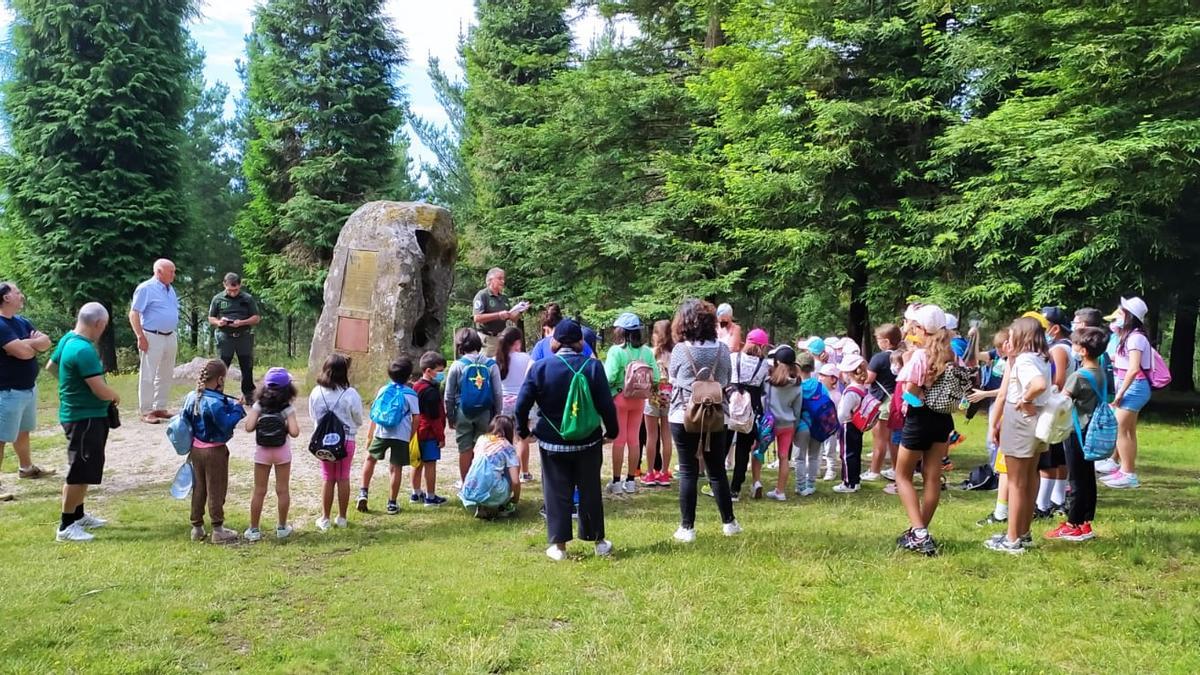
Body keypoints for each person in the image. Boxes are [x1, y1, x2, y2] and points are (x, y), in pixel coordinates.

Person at [515, 319, 618, 561]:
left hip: (552, 443)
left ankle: (559, 546)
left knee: (556, 491)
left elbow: (521, 406)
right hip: (588, 441)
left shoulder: (540, 368)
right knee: (590, 489)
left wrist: (523, 432)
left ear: (555, 342)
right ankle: (598, 542)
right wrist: (611, 432)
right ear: (580, 343)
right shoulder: (593, 368)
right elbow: (606, 405)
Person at [667, 299, 740, 542]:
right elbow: (727, 378)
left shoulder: (680, 350)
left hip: (683, 413)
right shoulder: (722, 349)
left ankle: (687, 528)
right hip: (717, 414)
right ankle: (729, 523)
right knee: (717, 470)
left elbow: (673, 376)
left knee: (688, 471)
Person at [46, 303, 120, 542]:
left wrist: (72, 387)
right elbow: (100, 390)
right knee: (79, 470)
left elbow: (51, 367)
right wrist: (114, 395)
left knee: (86, 468)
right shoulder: (83, 350)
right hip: (85, 418)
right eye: (104, 326)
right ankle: (66, 526)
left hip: (79, 414)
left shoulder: (68, 340)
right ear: (98, 324)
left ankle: (78, 515)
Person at [986, 316, 1051, 554]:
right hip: (1038, 422)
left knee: (1015, 481)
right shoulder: (1041, 357)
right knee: (1029, 477)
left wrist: (1025, 399)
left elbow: (1039, 384)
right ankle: (1023, 532)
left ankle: (1011, 538)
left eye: (1012, 334)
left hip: (1021, 420)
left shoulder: (1025, 361)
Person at [894, 304, 956, 556]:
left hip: (920, 420)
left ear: (921, 329)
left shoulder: (920, 356)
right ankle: (920, 530)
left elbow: (909, 392)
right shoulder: (951, 354)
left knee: (902, 475)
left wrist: (918, 402)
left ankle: (919, 533)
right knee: (932, 477)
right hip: (943, 419)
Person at [1045, 326, 1108, 542]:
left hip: (1077, 431)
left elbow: (1061, 401)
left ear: (1082, 351)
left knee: (1076, 478)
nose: (1071, 348)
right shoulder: (1099, 372)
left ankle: (1072, 523)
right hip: (1092, 430)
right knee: (1088, 476)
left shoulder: (1079, 376)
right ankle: (1085, 521)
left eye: (1074, 345)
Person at [0, 282, 55, 501]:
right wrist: (31, 344)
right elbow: (24, 353)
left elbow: (46, 343)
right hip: (7, 391)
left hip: (26, 389)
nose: (21, 295)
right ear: (5, 298)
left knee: (23, 431)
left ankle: (26, 468)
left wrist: (27, 343)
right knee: (1, 438)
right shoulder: (1, 326)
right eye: (17, 292)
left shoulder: (21, 321)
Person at [181, 359, 247, 544]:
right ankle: (218, 530)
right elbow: (225, 424)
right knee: (216, 489)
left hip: (196, 449)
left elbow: (184, 419)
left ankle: (197, 527)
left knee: (199, 488)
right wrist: (237, 409)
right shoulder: (215, 402)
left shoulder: (192, 397)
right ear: (220, 379)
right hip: (214, 452)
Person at [604, 313, 659, 495]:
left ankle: (617, 482)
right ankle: (631, 481)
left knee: (619, 440)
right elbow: (656, 377)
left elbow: (609, 377)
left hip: (620, 398)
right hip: (639, 400)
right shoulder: (646, 352)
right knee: (634, 439)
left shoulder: (616, 351)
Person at [359, 358, 422, 514]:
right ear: (409, 376)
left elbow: (374, 413)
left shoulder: (383, 390)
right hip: (401, 436)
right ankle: (392, 503)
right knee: (395, 468)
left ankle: (363, 492)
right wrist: (411, 435)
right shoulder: (411, 394)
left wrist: (369, 435)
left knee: (370, 459)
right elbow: (416, 418)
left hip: (381, 432)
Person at [243, 367, 298, 541]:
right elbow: (295, 432)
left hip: (262, 453)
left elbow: (248, 427)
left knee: (259, 491)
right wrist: (285, 426)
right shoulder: (287, 407)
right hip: (282, 452)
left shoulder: (259, 405)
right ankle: (282, 527)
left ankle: (254, 529)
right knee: (282, 490)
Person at [309, 354, 364, 531]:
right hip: (346, 440)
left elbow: (313, 416)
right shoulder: (350, 393)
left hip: (323, 441)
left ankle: (324, 518)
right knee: (343, 477)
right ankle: (342, 517)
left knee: (327, 477)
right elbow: (358, 419)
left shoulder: (316, 392)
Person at [1103, 296, 1153, 489]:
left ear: (1130, 316)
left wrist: (1120, 393)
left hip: (1134, 386)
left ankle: (1128, 473)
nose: (1118, 316)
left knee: (1120, 430)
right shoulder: (1133, 337)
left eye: (1122, 312)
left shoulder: (1135, 338)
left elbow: (1133, 369)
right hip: (1133, 386)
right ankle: (1125, 469)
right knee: (1128, 431)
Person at [444, 328, 504, 483]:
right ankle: (481, 482)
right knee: (483, 448)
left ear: (459, 346)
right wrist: (497, 414)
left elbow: (448, 395)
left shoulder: (457, 366)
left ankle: (466, 484)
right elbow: (498, 393)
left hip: (463, 411)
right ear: (478, 343)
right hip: (485, 412)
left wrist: (450, 417)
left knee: (465, 449)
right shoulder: (491, 364)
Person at [129, 258, 180, 424]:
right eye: (171, 271)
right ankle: (146, 410)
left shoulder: (170, 289)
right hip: (152, 335)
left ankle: (160, 407)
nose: (174, 274)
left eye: (174, 271)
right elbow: (134, 313)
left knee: (166, 373)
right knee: (148, 374)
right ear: (159, 272)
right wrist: (140, 336)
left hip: (169, 335)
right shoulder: (146, 288)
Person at [722, 328, 769, 500]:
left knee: (724, 446)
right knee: (743, 449)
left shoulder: (733, 358)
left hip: (730, 408)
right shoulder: (763, 365)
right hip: (750, 410)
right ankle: (735, 488)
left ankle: (717, 484)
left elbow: (725, 378)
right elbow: (764, 387)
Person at [1035, 307, 1074, 518]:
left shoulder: (1058, 349)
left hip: (1056, 407)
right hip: (1065, 409)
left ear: (1055, 328)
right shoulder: (1068, 347)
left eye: (1044, 326)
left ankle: (1043, 504)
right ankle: (1058, 499)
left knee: (1050, 459)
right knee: (1060, 458)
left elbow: (1058, 380)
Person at [208, 272, 261, 404]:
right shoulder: (218, 299)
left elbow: (256, 318)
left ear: (240, 285)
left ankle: (249, 395)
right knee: (221, 367)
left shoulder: (247, 298)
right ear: (224, 285)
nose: (233, 293)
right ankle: (218, 394)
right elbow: (211, 318)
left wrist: (242, 322)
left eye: (236, 290)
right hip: (225, 337)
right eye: (230, 290)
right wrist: (219, 322)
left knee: (247, 367)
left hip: (243, 337)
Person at [460, 415, 522, 518]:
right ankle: (501, 505)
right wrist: (515, 499)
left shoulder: (481, 439)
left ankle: (481, 506)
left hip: (469, 490)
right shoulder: (508, 447)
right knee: (513, 465)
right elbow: (515, 481)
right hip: (493, 493)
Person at [863, 323, 901, 482]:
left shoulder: (879, 358)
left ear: (886, 341)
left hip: (883, 402)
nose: (877, 342)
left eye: (878, 339)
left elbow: (868, 379)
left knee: (879, 439)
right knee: (893, 439)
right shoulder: (902, 356)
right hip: (896, 402)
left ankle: (874, 471)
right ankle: (895, 469)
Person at [495, 327, 534, 481]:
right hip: (522, 401)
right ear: (516, 342)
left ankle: (503, 470)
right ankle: (523, 472)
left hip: (503, 403)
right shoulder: (525, 358)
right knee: (522, 438)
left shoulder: (494, 360)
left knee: (502, 438)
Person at [641, 319, 675, 488]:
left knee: (651, 436)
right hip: (669, 396)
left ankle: (649, 473)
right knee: (666, 436)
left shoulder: (649, 353)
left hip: (652, 396)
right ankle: (664, 473)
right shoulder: (675, 353)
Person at [412, 351, 448, 506]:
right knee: (430, 464)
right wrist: (441, 437)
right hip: (429, 433)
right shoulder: (431, 392)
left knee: (417, 463)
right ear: (428, 371)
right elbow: (434, 418)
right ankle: (430, 496)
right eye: (439, 371)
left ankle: (416, 493)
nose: (442, 374)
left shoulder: (416, 386)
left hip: (416, 431)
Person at [791, 352, 826, 497]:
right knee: (813, 456)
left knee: (799, 457)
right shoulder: (820, 385)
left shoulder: (796, 386)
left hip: (801, 426)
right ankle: (811, 484)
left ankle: (800, 486)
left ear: (797, 367)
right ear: (812, 368)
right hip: (817, 425)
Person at [472, 268, 528, 358]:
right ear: (490, 279)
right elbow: (477, 318)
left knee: (501, 366)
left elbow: (512, 318)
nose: (503, 281)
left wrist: (519, 310)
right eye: (499, 278)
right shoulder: (482, 295)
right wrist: (498, 315)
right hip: (486, 339)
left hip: (501, 338)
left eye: (503, 279)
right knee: (487, 367)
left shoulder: (504, 298)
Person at [834, 354, 869, 493]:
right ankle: (855, 480)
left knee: (846, 454)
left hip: (848, 425)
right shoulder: (861, 388)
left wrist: (838, 422)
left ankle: (849, 483)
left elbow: (843, 413)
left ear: (849, 373)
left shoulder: (850, 391)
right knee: (855, 453)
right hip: (857, 425)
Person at [530, 303, 595, 361]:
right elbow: (595, 362)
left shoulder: (541, 346)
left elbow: (529, 372)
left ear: (546, 329)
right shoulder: (580, 343)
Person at [816, 362, 842, 481]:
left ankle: (831, 469)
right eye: (820, 375)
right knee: (817, 448)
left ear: (833, 379)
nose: (820, 378)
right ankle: (816, 468)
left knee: (830, 449)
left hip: (831, 428)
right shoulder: (818, 393)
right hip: (818, 426)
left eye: (823, 376)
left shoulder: (836, 395)